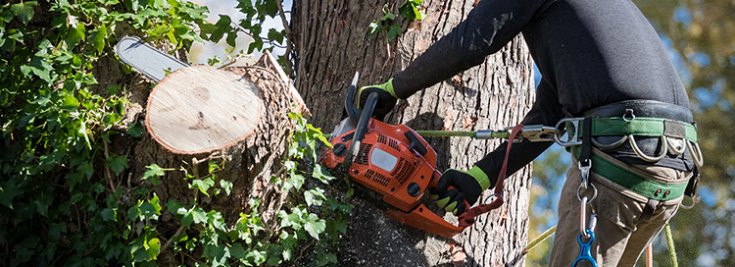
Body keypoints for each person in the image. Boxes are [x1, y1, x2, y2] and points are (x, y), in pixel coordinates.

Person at [356, 0, 702, 266]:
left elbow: (473, 40)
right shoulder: (583, 24)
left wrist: (392, 89)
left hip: (621, 166)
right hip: (669, 169)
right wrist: (479, 177)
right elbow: (551, 116)